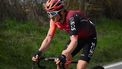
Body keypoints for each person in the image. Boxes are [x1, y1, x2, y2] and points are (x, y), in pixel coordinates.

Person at [32, 0, 97, 69]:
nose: (51, 17)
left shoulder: (71, 17)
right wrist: (39, 52)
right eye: (49, 14)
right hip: (77, 37)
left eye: (53, 13)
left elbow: (74, 40)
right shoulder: (54, 20)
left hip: (89, 38)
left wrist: (65, 55)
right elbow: (49, 37)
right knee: (60, 63)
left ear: (61, 12)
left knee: (80, 67)